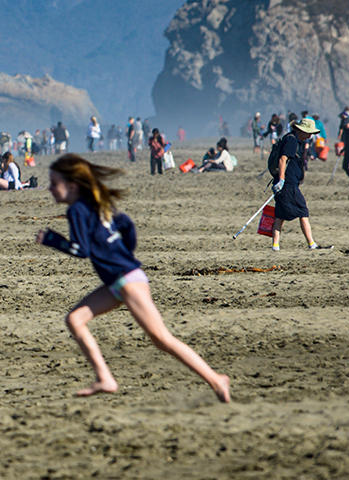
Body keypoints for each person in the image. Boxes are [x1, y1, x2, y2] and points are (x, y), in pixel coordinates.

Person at [36, 154, 230, 402]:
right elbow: (126, 225)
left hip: (126, 281)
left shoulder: (77, 209)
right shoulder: (96, 203)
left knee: (162, 339)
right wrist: (122, 252)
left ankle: (216, 379)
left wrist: (53, 240)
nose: (50, 189)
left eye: (54, 183)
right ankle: (104, 378)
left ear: (71, 185)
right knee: (75, 319)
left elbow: (81, 250)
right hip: (120, 281)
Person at [270, 119, 329, 251]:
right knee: (303, 211)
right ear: (301, 130)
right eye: (308, 133)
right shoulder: (291, 140)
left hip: (288, 182)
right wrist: (282, 180)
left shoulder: (294, 139)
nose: (310, 136)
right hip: (288, 183)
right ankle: (311, 244)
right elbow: (283, 159)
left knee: (280, 214)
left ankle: (275, 245)